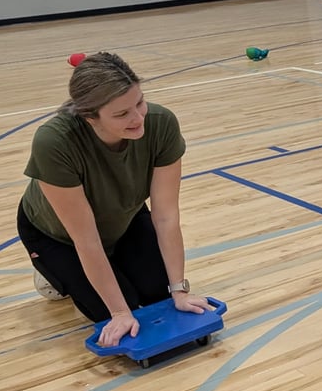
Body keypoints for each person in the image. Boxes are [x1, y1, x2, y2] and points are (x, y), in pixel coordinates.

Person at [16, 52, 210, 347]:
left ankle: (119, 263)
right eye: (122, 114)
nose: (138, 118)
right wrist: (119, 311)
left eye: (140, 102)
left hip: (124, 217)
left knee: (157, 293)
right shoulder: (54, 142)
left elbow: (166, 216)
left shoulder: (161, 124)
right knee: (118, 309)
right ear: (89, 116)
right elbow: (86, 239)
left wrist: (179, 290)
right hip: (59, 235)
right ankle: (52, 273)